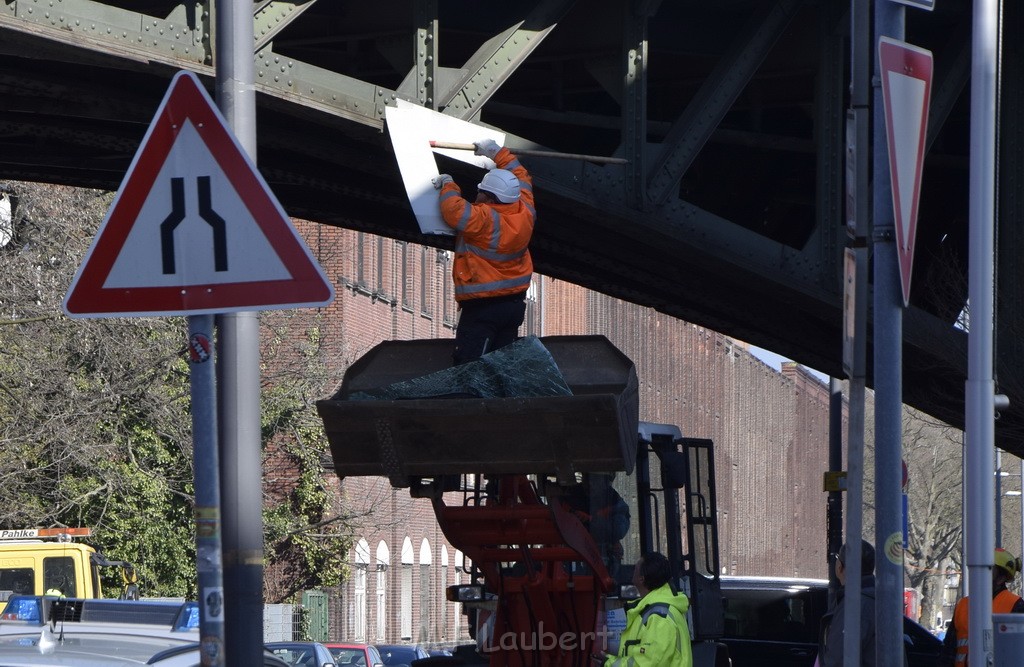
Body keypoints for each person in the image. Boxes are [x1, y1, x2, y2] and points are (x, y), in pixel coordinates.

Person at [432, 138, 536, 365]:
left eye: (480, 192)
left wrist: (448, 184)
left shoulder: (485, 220)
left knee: (469, 366)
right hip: (513, 306)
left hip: (483, 308)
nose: (476, 195)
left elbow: (453, 210)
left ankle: (470, 399)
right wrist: (496, 153)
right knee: (500, 366)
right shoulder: (525, 210)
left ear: (488, 197)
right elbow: (522, 175)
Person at [598, 552, 692, 667]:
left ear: (641, 579)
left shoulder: (659, 617)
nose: (632, 571)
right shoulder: (656, 610)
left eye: (636, 568)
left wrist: (610, 664)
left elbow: (649, 663)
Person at [938, 547, 1024, 666]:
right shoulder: (962, 605)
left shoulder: (1016, 605)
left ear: (1001, 578)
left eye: (987, 570)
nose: (979, 575)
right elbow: (949, 652)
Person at [817, 539, 878, 666]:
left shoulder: (855, 606)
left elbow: (839, 658)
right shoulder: (876, 600)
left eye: (837, 558)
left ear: (840, 567)